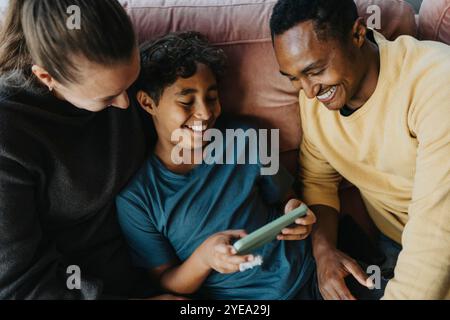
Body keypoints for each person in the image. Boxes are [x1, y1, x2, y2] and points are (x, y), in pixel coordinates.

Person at [115, 31, 321, 300]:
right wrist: (204, 259)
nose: (205, 113)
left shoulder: (248, 137)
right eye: (186, 101)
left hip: (311, 276)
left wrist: (296, 212)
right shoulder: (137, 200)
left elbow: (287, 200)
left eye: (211, 97)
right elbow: (167, 284)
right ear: (147, 102)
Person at [270, 0, 450, 299]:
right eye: (294, 78)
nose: (309, 91)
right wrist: (324, 251)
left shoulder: (436, 83)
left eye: (315, 70)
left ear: (357, 34)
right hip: (396, 248)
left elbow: (437, 234)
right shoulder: (316, 100)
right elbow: (318, 182)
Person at [0, 0, 178, 300]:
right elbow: (18, 283)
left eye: (130, 84)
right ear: (47, 78)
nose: (126, 104)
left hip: (164, 267)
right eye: (108, 97)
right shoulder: (11, 135)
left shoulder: (128, 77)